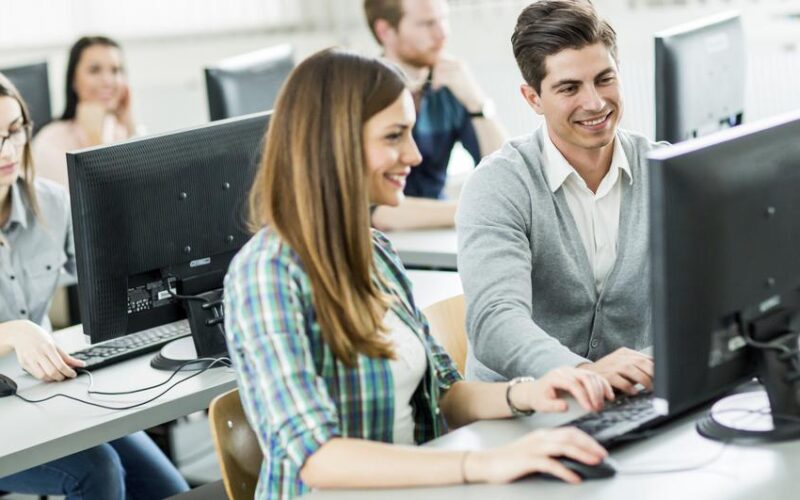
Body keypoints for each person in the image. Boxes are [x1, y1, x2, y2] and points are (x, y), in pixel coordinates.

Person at [224, 48, 614, 500]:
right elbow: (318, 458)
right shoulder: (267, 274)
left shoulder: (375, 252)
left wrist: (529, 393)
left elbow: (445, 392)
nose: (413, 154)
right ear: (333, 144)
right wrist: (483, 464)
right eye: (394, 136)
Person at [456, 0, 666, 392]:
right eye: (570, 88)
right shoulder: (500, 184)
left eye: (604, 79)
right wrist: (585, 374)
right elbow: (495, 321)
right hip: (521, 410)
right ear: (533, 98)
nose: (595, 102)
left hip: (627, 402)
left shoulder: (663, 170)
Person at [0, 73, 188, 500]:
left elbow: (114, 270)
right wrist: (13, 332)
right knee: (97, 472)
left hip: (41, 391)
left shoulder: (49, 204)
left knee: (168, 489)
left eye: (15, 131)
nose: (8, 151)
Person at [363, 0, 506, 231]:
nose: (442, 33)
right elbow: (373, 209)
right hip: (381, 239)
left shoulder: (451, 87)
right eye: (427, 23)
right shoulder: (359, 94)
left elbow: (504, 175)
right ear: (385, 31)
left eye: (443, 19)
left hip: (439, 232)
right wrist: (478, 211)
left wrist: (477, 103)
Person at [33, 35, 137, 188]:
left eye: (115, 70)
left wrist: (130, 126)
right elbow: (104, 197)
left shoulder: (120, 129)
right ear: (73, 80)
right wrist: (94, 140)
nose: (108, 81)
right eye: (95, 70)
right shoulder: (50, 141)